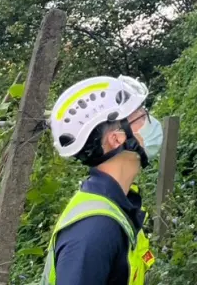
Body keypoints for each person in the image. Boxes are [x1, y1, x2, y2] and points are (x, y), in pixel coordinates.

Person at [43, 74, 164, 285]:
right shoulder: (94, 230)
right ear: (117, 138)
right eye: (140, 116)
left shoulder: (117, 205)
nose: (150, 122)